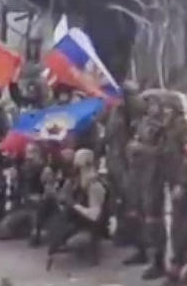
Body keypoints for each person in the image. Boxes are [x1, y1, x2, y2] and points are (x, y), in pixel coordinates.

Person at [153, 92, 187, 286]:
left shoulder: (186, 127)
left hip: (186, 185)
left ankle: (174, 277)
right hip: (175, 182)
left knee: (180, 229)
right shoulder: (172, 127)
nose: (162, 112)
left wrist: (182, 184)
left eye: (166, 108)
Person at [45, 148, 110, 267]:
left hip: (90, 226)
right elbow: (64, 199)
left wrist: (74, 205)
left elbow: (94, 216)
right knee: (54, 223)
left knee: (73, 242)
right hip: (76, 221)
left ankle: (91, 247)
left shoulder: (94, 184)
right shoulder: (75, 182)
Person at [123, 94, 164, 267]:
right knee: (135, 212)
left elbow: (161, 151)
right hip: (136, 171)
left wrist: (141, 148)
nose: (149, 107)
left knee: (152, 217)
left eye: (153, 103)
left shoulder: (163, 126)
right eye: (148, 103)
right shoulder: (142, 122)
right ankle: (141, 250)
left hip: (152, 174)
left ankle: (158, 259)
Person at [104, 82, 140, 247]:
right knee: (117, 198)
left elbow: (136, 135)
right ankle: (123, 231)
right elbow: (108, 135)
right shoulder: (114, 111)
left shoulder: (132, 112)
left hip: (128, 162)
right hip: (114, 159)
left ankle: (135, 235)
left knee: (130, 199)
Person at [0, 141, 47, 241]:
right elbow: (17, 190)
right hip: (23, 205)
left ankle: (36, 230)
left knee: (36, 232)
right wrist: (14, 180)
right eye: (28, 152)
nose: (29, 155)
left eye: (33, 152)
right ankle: (22, 229)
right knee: (1, 231)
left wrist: (39, 196)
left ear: (39, 153)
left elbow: (47, 189)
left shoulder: (44, 169)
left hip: (38, 206)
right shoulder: (22, 168)